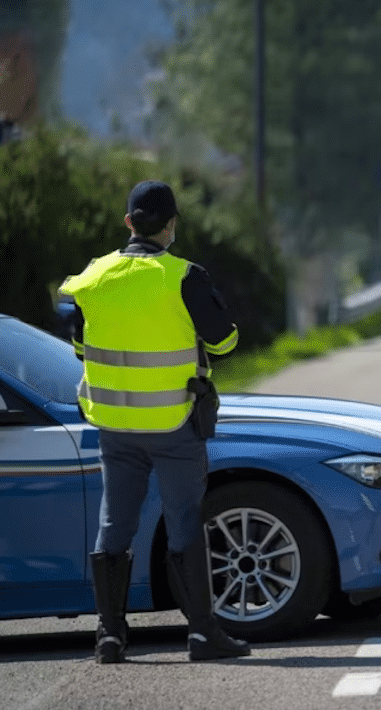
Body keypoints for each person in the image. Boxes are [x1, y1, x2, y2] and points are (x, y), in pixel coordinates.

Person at [58, 181, 251, 664]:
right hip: (173, 424)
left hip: (115, 425)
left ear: (128, 223)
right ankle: (203, 634)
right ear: (171, 226)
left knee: (114, 524)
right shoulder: (183, 276)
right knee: (185, 521)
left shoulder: (94, 277)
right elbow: (225, 342)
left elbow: (81, 348)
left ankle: (109, 636)